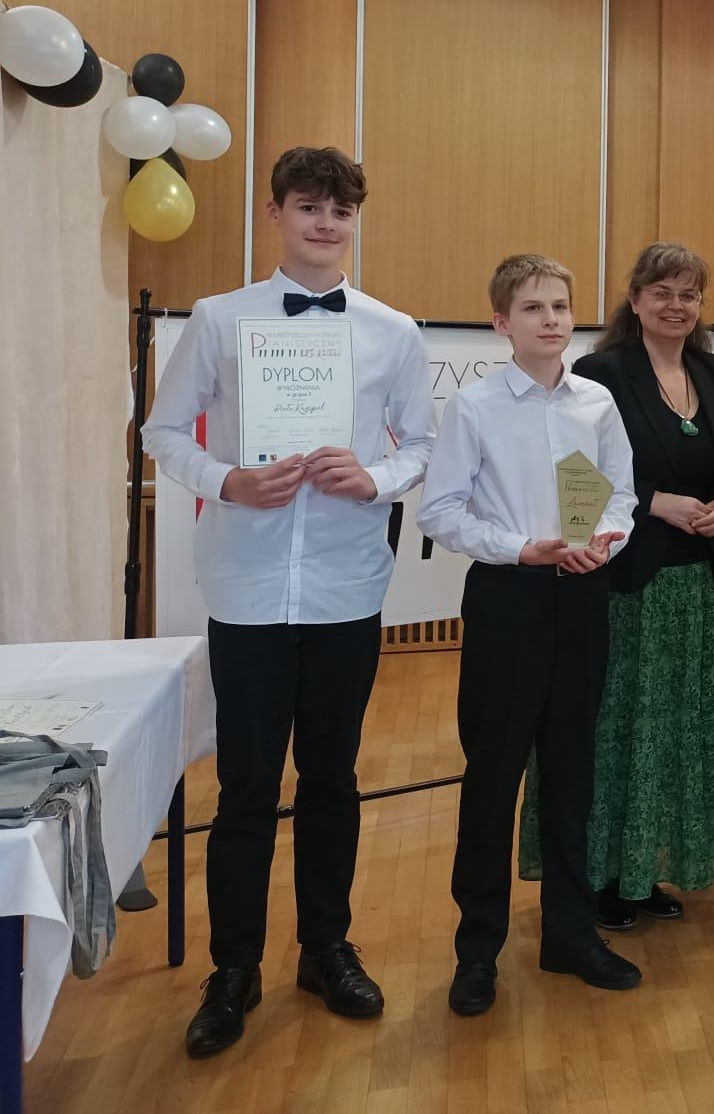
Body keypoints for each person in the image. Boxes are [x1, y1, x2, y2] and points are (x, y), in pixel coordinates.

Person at [143, 146, 436, 1059]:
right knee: (244, 787)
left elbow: (421, 445)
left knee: (334, 778)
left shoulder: (393, 330)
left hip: (346, 586)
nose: (325, 223)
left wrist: (376, 475)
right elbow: (161, 430)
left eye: (341, 210)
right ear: (275, 213)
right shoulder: (221, 319)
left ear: (355, 221)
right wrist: (227, 479)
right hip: (248, 586)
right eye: (308, 206)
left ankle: (325, 949)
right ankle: (232, 970)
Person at [418, 254, 638, 1016]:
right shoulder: (474, 408)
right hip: (509, 599)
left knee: (573, 772)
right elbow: (440, 512)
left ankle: (569, 933)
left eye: (560, 307)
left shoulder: (597, 404)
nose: (550, 319)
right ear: (501, 322)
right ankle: (477, 949)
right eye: (533, 308)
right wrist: (521, 548)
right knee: (493, 778)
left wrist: (605, 539)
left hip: (582, 597)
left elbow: (621, 494)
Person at [518, 243, 714, 930]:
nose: (677, 306)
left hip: (695, 585)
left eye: (689, 294)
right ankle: (597, 876)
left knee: (677, 732)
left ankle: (646, 869)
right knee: (614, 731)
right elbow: (578, 472)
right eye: (663, 292)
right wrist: (655, 503)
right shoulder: (601, 372)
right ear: (636, 299)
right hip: (623, 583)